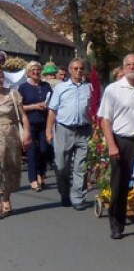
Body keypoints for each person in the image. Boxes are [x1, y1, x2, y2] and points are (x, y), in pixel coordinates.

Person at [97, 53, 134, 239]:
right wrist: (111, 144)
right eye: (129, 65)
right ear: (123, 68)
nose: (133, 68)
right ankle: (116, 225)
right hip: (121, 141)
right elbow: (105, 120)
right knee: (119, 186)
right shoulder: (113, 89)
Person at [46, 58, 92, 209]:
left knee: (81, 166)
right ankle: (65, 193)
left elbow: (96, 109)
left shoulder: (90, 88)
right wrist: (48, 130)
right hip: (64, 130)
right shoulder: (61, 88)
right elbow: (53, 110)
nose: (79, 71)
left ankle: (78, 197)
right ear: (70, 70)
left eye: (81, 68)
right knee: (61, 165)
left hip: (83, 130)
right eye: (75, 68)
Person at [0, 51, 28, 218]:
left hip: (11, 134)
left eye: (2, 77)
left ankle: (6, 198)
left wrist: (27, 134)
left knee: (10, 167)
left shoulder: (13, 94)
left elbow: (23, 116)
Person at [18, 61, 52, 192]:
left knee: (43, 150)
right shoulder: (23, 87)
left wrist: (46, 105)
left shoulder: (46, 86)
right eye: (33, 70)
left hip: (44, 123)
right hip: (30, 123)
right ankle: (33, 180)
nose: (36, 72)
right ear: (28, 72)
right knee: (31, 151)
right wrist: (34, 106)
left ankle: (41, 173)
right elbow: (19, 107)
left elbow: (52, 103)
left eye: (38, 70)